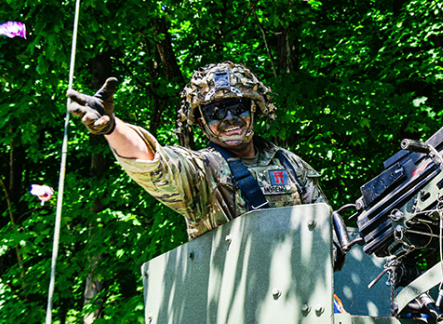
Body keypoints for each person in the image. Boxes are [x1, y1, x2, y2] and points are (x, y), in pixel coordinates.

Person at [67, 61, 329, 240]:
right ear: (201, 122)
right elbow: (155, 163)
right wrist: (113, 127)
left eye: (237, 106)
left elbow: (326, 228)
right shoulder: (202, 170)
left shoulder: (288, 163)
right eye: (214, 112)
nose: (228, 118)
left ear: (254, 108)